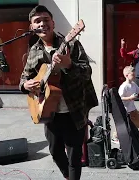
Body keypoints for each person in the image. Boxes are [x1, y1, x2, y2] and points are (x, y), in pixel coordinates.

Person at [19, 5, 98, 180]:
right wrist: (26, 86)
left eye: (46, 20)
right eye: (37, 21)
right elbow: (24, 77)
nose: (42, 24)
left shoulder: (71, 43)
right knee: (55, 152)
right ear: (32, 27)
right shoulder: (34, 50)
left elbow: (87, 72)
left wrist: (69, 64)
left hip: (74, 109)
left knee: (74, 156)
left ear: (53, 23)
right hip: (49, 111)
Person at [112, 66, 139, 143]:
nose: (134, 77)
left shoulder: (133, 84)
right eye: (133, 75)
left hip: (132, 108)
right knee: (122, 124)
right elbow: (119, 98)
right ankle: (115, 137)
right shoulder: (124, 86)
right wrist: (130, 98)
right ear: (126, 75)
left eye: (135, 75)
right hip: (125, 109)